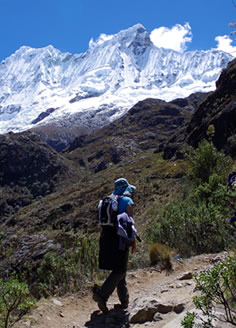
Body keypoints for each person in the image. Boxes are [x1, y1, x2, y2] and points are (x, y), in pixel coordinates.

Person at [93, 178, 137, 313]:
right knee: (120, 270)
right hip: (120, 238)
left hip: (106, 237)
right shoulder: (126, 201)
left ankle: (124, 302)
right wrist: (133, 241)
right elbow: (130, 223)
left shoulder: (105, 202)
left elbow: (101, 224)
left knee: (120, 269)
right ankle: (102, 295)